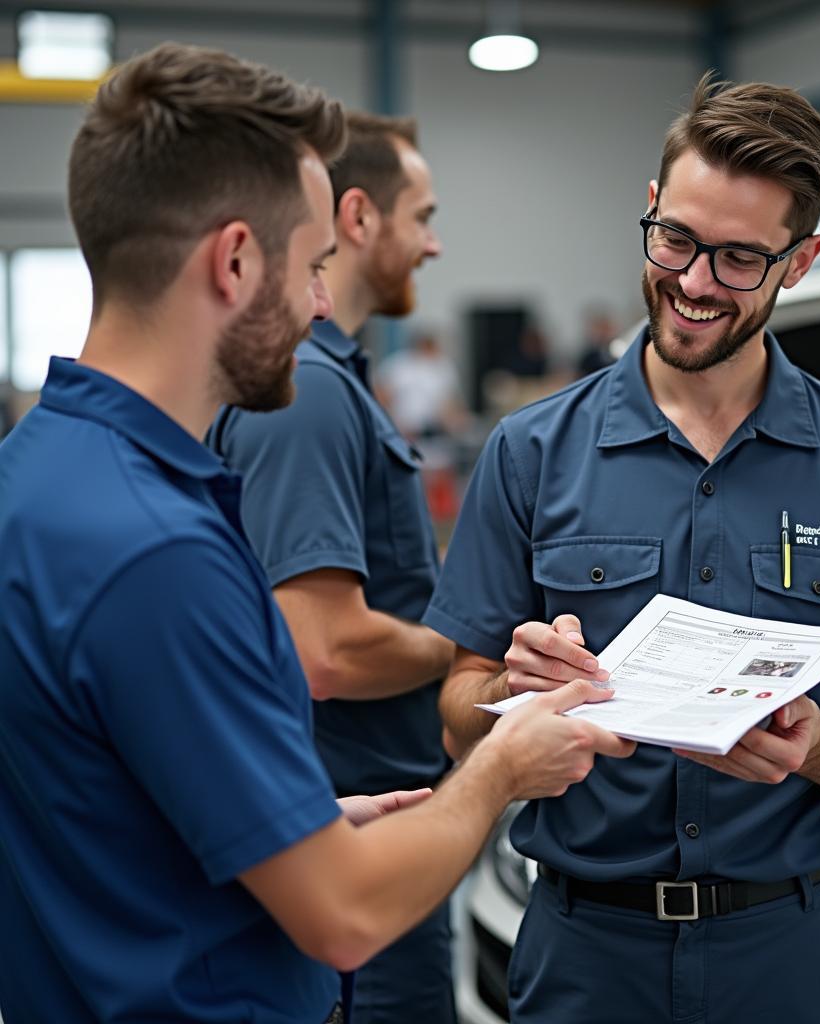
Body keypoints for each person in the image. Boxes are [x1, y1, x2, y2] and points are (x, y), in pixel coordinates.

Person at [0, 44, 635, 1024]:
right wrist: (498, 770)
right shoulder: (158, 549)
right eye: (309, 267)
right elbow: (343, 914)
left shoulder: (37, 475)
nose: (318, 304)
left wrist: (304, 824)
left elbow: (104, 800)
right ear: (236, 260)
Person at [425, 73, 820, 1024]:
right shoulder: (530, 452)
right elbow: (459, 713)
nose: (695, 282)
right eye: (676, 239)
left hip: (792, 958)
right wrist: (512, 697)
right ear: (650, 209)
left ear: (801, 260)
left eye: (741, 258)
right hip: (588, 955)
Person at [207, 112, 458, 1024]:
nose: (432, 245)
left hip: (373, 827)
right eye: (420, 216)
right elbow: (322, 648)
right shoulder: (308, 392)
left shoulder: (333, 382)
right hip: (353, 839)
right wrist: (464, 643)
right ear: (357, 217)